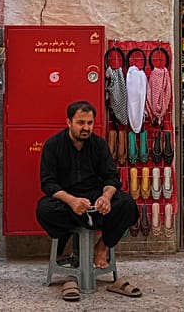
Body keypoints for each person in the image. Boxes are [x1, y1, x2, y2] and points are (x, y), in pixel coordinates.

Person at [36, 101, 139, 272]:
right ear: (69, 122)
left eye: (89, 123)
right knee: (44, 209)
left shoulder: (99, 145)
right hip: (68, 200)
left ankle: (101, 247)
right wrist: (71, 201)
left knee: (127, 204)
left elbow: (111, 177)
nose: (86, 128)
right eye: (81, 123)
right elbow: (48, 183)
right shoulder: (53, 145)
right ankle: (68, 239)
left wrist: (105, 198)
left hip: (95, 199)